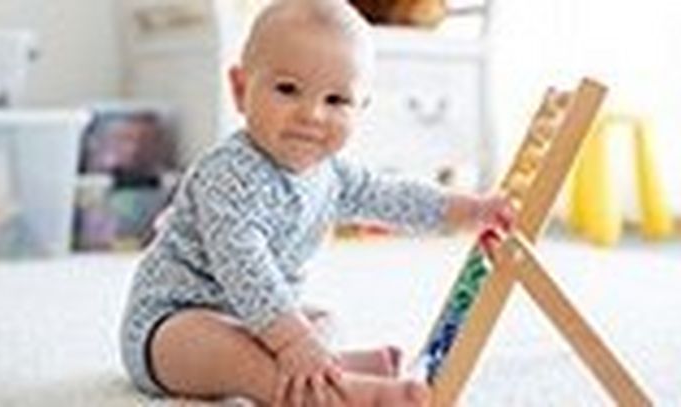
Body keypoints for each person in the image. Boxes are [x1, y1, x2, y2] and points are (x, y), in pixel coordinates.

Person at [119, 0, 514, 405]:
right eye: (288, 89)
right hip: (167, 327)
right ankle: (328, 392)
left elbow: (394, 197)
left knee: (321, 320)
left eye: (336, 101)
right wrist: (292, 343)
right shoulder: (227, 174)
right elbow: (244, 267)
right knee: (220, 344)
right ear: (241, 89)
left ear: (361, 108)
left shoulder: (332, 174)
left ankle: (327, 366)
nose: (312, 114)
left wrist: (471, 209)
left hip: (256, 321)